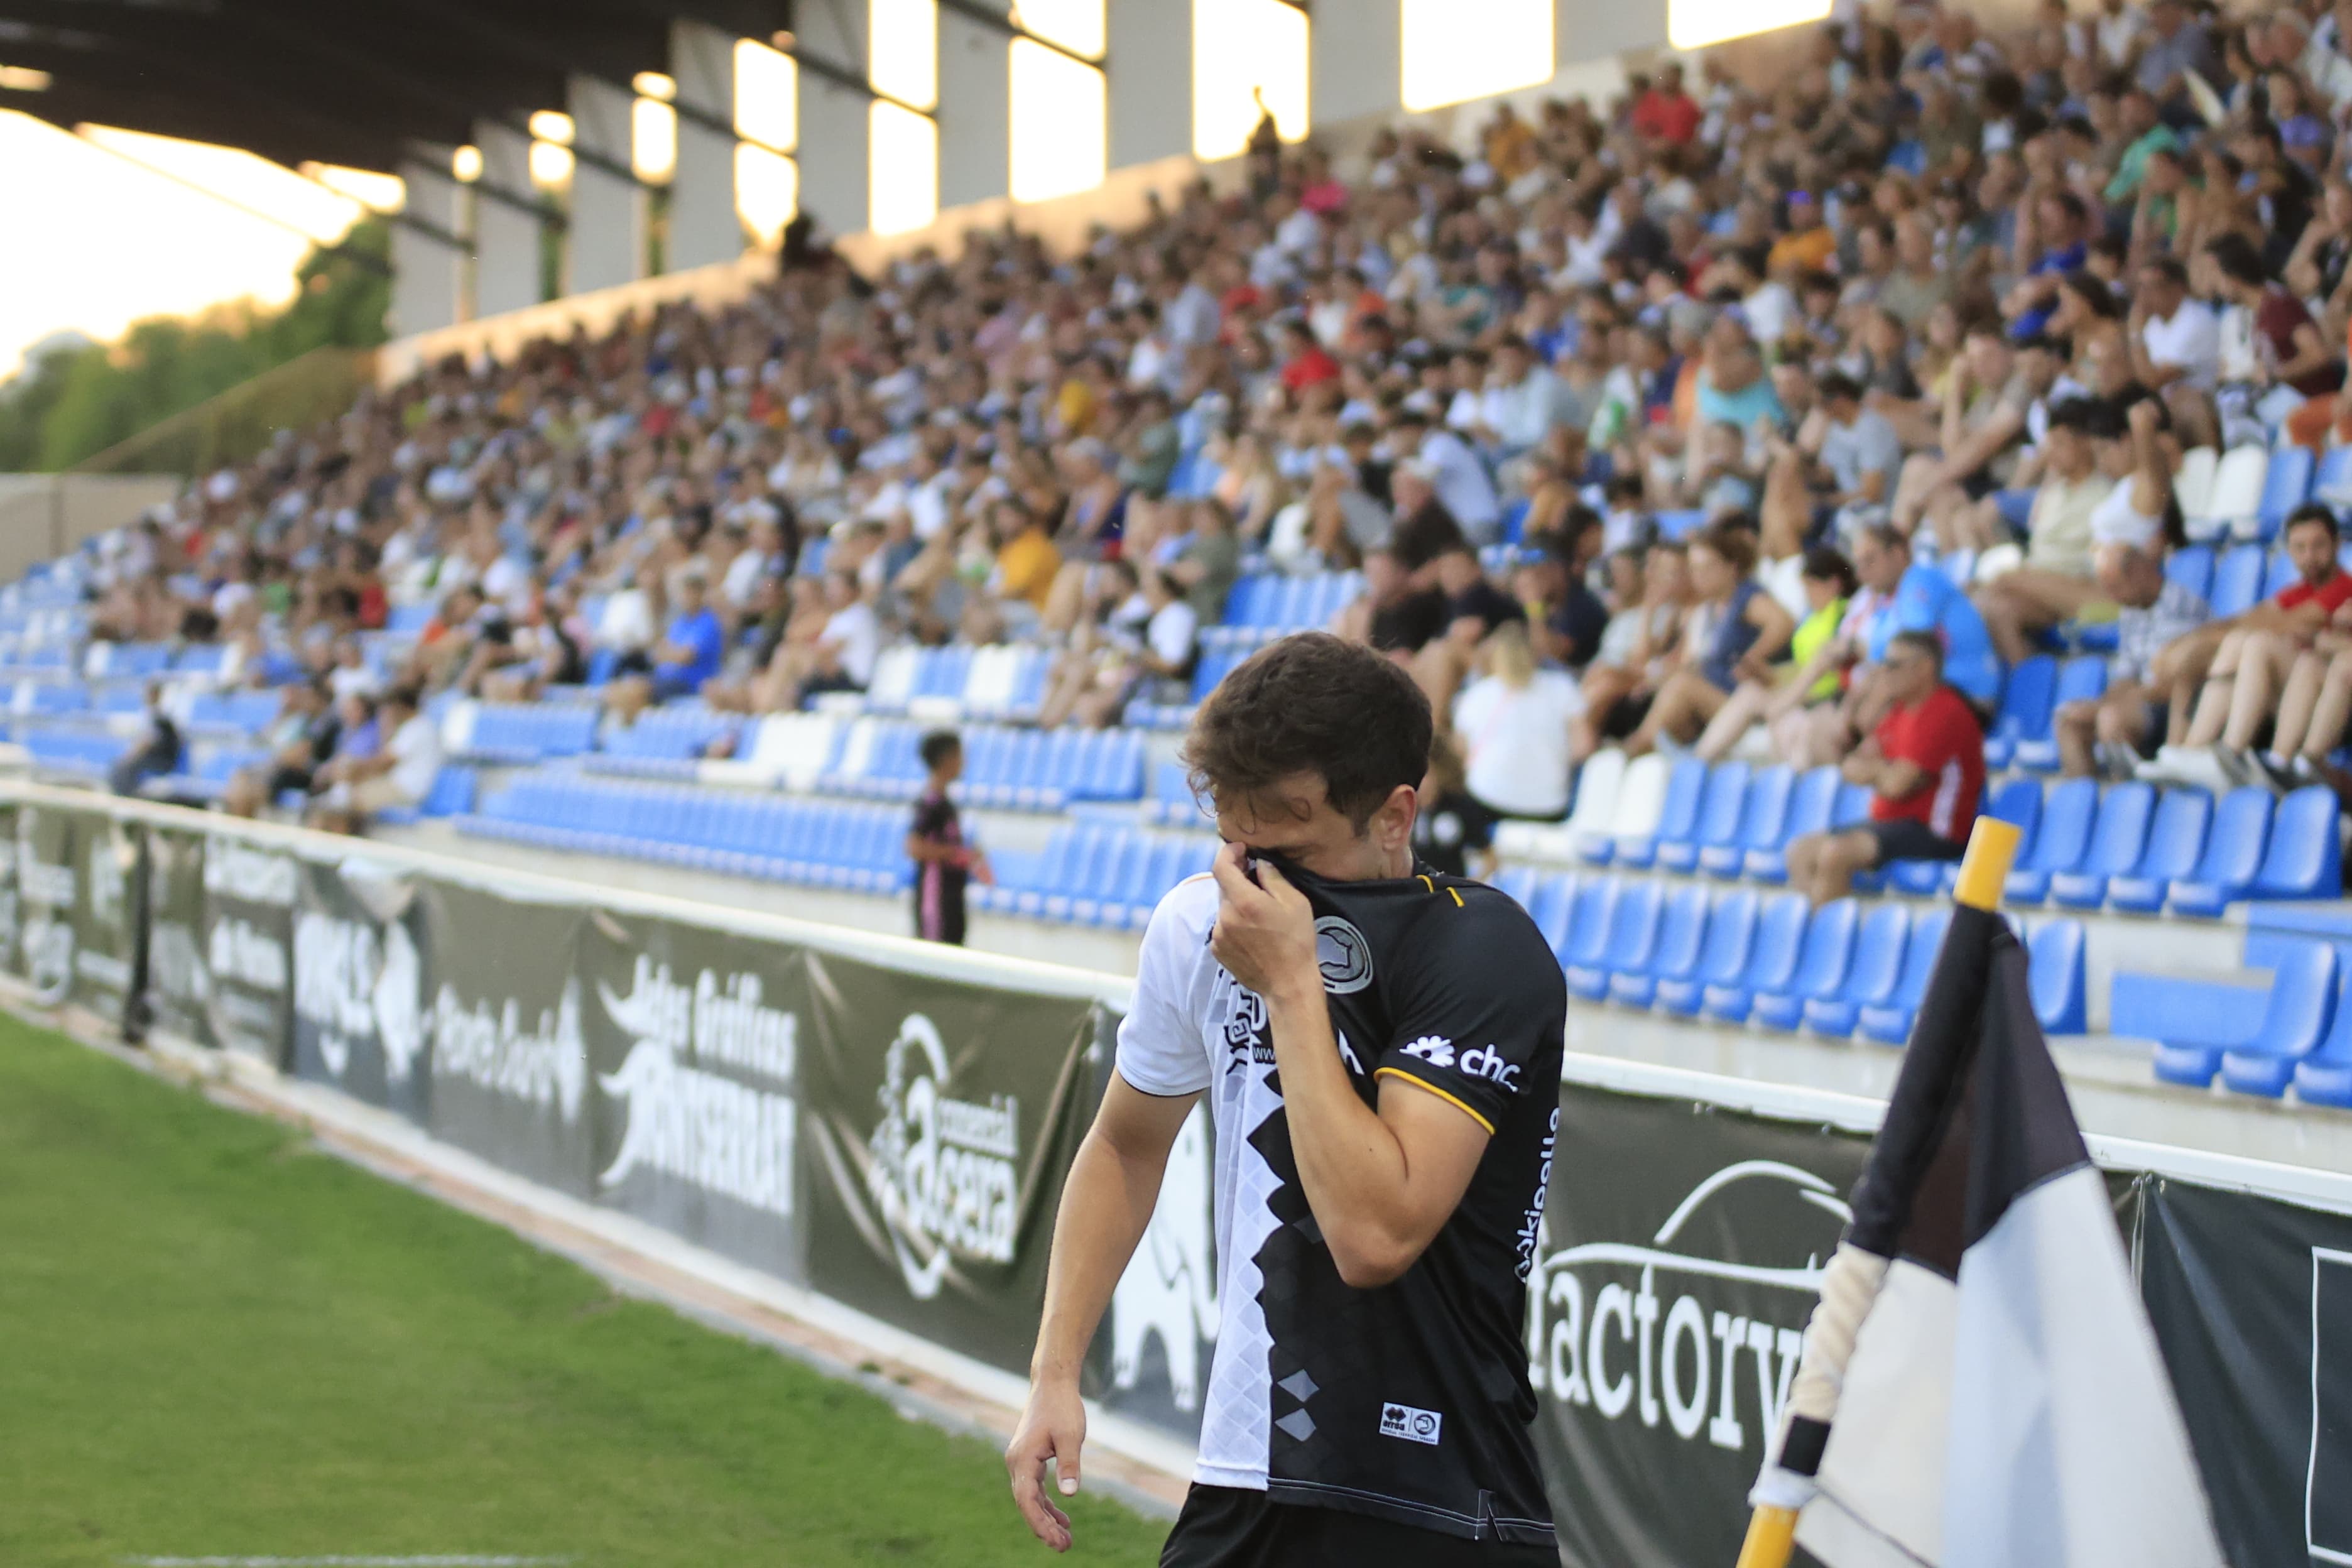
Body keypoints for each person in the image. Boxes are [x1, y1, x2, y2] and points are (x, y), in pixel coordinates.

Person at [1008, 633, 1563, 1567]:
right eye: (1235, 847)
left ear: (1395, 817)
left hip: (1440, 1501)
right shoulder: (1200, 922)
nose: (1254, 886)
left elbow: (1374, 1234)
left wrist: (1294, 986)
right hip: (1245, 1474)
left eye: (1291, 856)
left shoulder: (1484, 950)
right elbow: (1125, 1147)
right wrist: (1055, 1372)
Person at [1785, 631, 1985, 905]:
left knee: (1836, 853)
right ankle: (1818, 935)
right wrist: (1884, 769)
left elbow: (1895, 787)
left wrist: (1878, 771)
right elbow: (1852, 766)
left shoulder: (1945, 711)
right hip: (1891, 826)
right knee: (1800, 853)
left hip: (1934, 831)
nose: (1884, 672)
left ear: (1924, 668)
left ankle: (1828, 941)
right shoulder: (1898, 710)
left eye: (1893, 664)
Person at [2182, 505, 2352, 773]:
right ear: (2289, 552)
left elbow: (2291, 621)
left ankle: (2233, 750)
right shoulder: (2297, 592)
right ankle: (2193, 750)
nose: (2310, 556)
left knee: (2258, 644)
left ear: (2337, 545)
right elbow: (2251, 618)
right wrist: (2203, 637)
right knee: (2237, 641)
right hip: (2292, 692)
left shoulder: (2344, 587)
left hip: (2325, 695)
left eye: (2319, 546)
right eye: (2300, 548)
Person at [1625, 523, 1795, 756]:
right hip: (1715, 699)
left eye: (1708, 568)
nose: (1700, 577)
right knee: (1674, 690)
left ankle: (1641, 746)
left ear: (1731, 567)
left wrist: (1754, 656)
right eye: (1695, 570)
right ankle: (1647, 751)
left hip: (1744, 699)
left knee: (1682, 686)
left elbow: (1782, 623)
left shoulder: (1745, 598)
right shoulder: (1708, 610)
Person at [2054, 543, 2211, 779]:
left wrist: (2110, 706)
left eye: (2116, 587)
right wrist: (2104, 703)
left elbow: (2169, 683)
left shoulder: (2181, 607)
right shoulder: (2132, 610)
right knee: (2069, 720)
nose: (2113, 597)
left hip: (2176, 706)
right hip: (2140, 699)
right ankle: (2084, 800)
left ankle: (2128, 798)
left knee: (2112, 719)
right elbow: (2126, 674)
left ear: (2139, 573)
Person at [1452, 619, 1582, 820]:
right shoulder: (1564, 688)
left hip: (1487, 800)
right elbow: (1583, 748)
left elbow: (1460, 754)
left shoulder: (1476, 694)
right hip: (1549, 806)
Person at [310, 685, 441, 834]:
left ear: (399, 707)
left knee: (350, 802)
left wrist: (352, 767)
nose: (385, 714)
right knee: (342, 796)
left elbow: (384, 763)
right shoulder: (409, 727)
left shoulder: (418, 728)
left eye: (388, 709)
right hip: (397, 784)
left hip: (408, 789)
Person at [906, 730, 989, 945]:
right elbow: (914, 847)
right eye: (960, 756)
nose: (963, 762)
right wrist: (958, 854)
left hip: (952, 897)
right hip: (936, 898)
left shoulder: (945, 803)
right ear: (946, 759)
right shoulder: (931, 803)